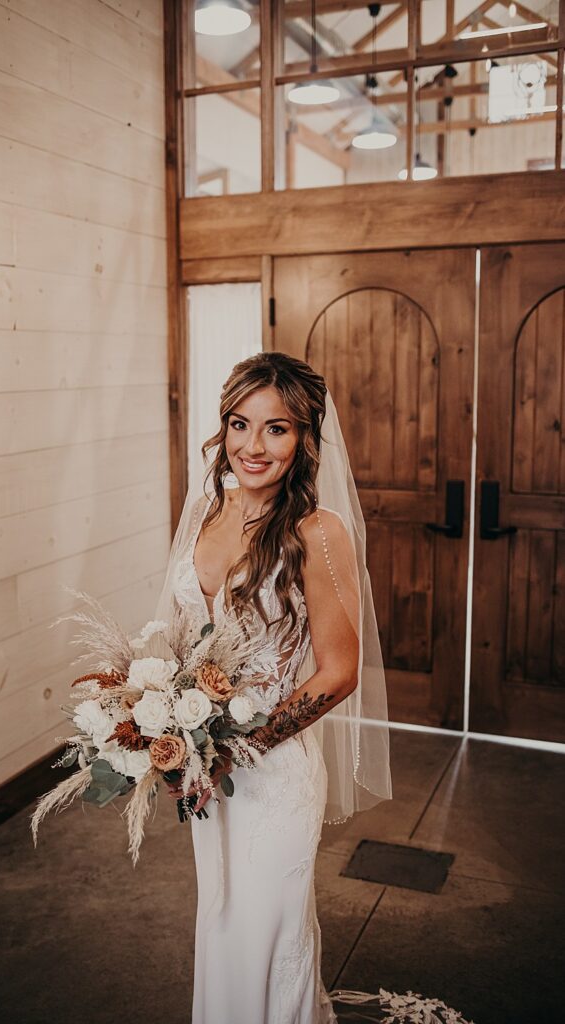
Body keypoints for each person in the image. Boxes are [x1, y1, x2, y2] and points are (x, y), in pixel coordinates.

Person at [154, 351, 392, 1024]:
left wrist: (241, 747)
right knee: (223, 919)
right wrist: (170, 731)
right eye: (239, 423)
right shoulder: (209, 507)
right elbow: (181, 637)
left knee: (269, 930)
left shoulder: (315, 533)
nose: (252, 446)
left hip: (273, 767)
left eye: (276, 428)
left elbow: (338, 671)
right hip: (207, 765)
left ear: (305, 437)